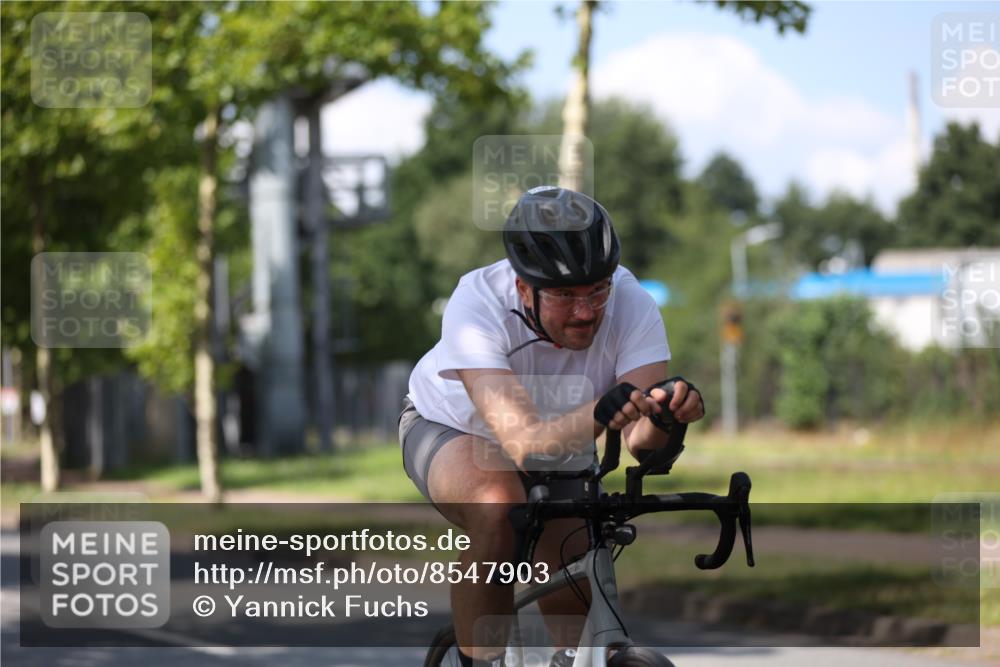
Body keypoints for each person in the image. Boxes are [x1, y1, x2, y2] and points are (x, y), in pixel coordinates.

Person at [399, 185, 704, 666]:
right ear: (523, 287)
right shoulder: (476, 304)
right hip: (454, 428)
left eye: (596, 290)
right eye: (564, 295)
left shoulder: (632, 303)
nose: (586, 311)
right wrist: (603, 408)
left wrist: (667, 417)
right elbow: (523, 444)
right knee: (499, 508)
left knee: (571, 557)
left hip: (565, 438)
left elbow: (643, 446)